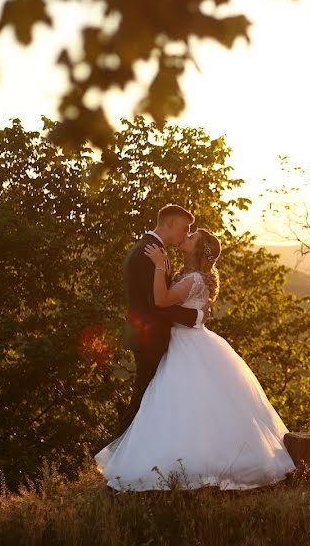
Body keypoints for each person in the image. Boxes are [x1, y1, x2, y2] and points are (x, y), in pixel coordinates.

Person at [95, 228, 296, 490]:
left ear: (198, 250)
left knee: (183, 403)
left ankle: (193, 463)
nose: (185, 238)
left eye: (191, 238)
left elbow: (161, 300)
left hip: (185, 344)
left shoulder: (193, 279)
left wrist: (158, 266)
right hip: (192, 339)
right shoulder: (194, 277)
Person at [116, 204, 206, 438]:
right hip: (149, 338)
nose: (186, 234)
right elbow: (156, 303)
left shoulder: (152, 248)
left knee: (151, 398)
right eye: (185, 228)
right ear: (171, 223)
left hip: (149, 336)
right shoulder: (150, 252)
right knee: (143, 397)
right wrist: (194, 316)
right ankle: (118, 454)